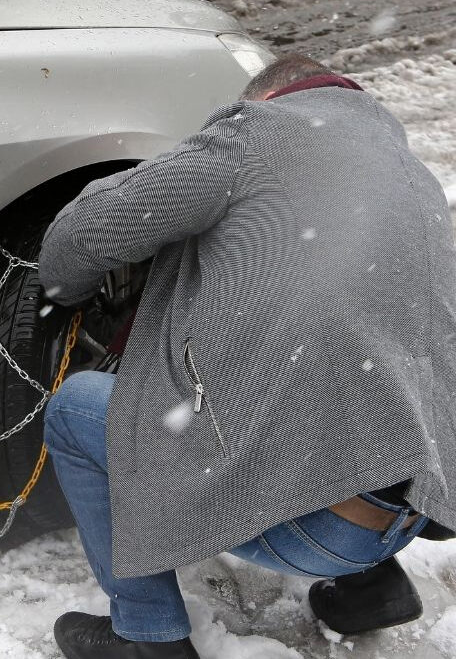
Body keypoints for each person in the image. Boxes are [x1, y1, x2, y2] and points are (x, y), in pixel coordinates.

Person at [37, 53, 456, 659]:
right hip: (419, 504)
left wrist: (66, 294)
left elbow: (85, 233)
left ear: (263, 99)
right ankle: (371, 588)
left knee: (76, 410)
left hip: (317, 526)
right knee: (353, 356)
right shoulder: (404, 169)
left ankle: (146, 637)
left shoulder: (249, 134)